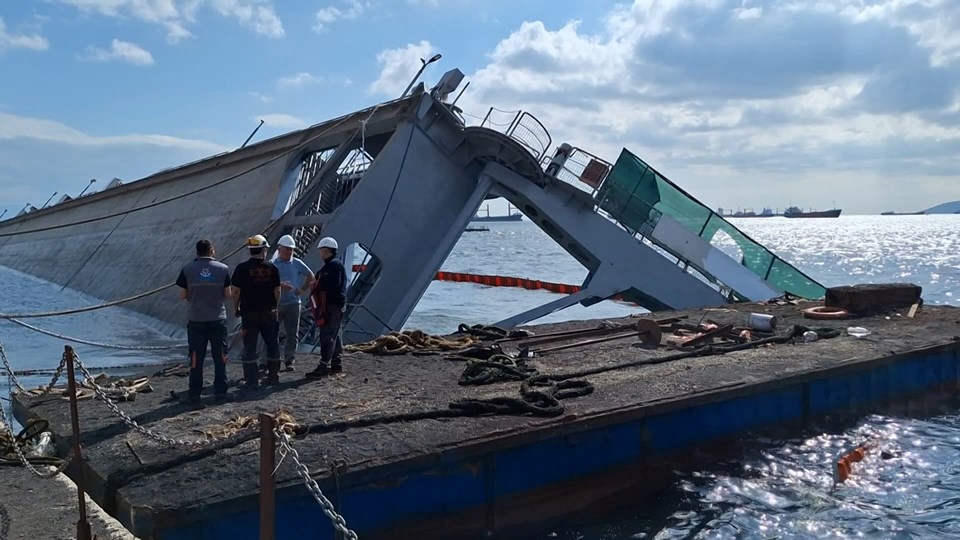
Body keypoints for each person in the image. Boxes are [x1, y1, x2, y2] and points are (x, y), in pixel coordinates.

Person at [175, 239, 232, 403]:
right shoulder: (223, 269)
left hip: (196, 319)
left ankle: (195, 393)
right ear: (212, 250)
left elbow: (182, 295)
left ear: (197, 251)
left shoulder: (187, 269)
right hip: (217, 319)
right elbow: (227, 294)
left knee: (195, 358)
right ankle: (221, 391)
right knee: (220, 356)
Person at [231, 234, 282, 387]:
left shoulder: (241, 268)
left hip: (249, 313)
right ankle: (274, 376)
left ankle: (251, 380)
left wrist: (236, 308)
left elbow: (235, 292)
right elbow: (277, 291)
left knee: (250, 346)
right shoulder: (272, 268)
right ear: (264, 249)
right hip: (269, 312)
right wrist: (275, 307)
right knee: (273, 344)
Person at [271, 234, 314, 371]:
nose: (290, 251)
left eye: (291, 249)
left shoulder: (297, 263)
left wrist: (302, 290)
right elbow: (267, 283)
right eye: (287, 249)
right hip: (276, 304)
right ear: (279, 249)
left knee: (292, 334)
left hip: (294, 303)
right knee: (271, 333)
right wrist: (280, 285)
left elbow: (310, 276)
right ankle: (269, 360)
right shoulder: (273, 265)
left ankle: (289, 360)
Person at [306, 236, 347, 379]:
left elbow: (332, 285)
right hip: (334, 305)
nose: (320, 253)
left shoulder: (333, 266)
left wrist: (318, 285)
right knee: (335, 334)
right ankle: (336, 364)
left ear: (325, 251)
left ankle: (323, 365)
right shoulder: (333, 265)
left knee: (327, 335)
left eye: (321, 250)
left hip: (331, 306)